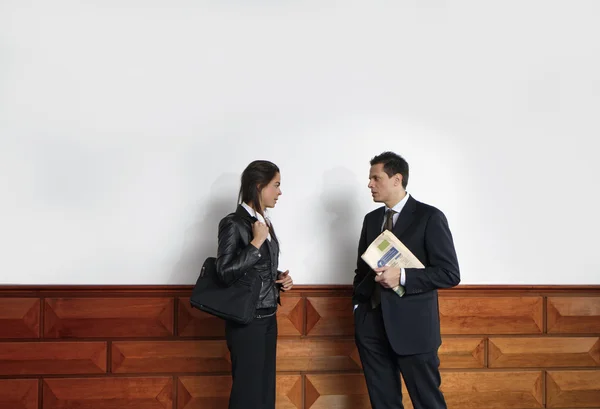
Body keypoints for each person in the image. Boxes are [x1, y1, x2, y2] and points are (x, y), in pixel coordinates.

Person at [353, 151, 460, 409]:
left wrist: (401, 276)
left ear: (397, 179)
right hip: (372, 329)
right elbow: (360, 271)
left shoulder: (429, 217)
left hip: (414, 331)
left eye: (375, 178)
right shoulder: (371, 220)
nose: (370, 184)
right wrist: (359, 311)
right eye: (370, 179)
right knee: (384, 404)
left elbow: (449, 273)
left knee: (428, 403)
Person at [215, 160, 293, 409]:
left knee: (264, 390)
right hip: (246, 320)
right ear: (259, 186)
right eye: (276, 185)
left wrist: (279, 279)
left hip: (268, 316)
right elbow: (225, 273)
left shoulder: (264, 222)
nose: (280, 192)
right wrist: (256, 243)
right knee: (247, 392)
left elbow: (255, 269)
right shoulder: (233, 223)